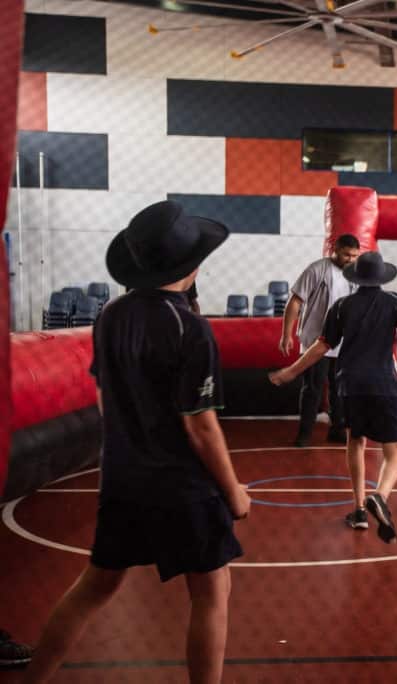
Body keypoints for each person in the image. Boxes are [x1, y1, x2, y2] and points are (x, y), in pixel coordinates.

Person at [23, 200, 250, 684]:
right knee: (212, 595)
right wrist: (234, 492)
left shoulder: (110, 316)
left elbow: (105, 399)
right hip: (183, 489)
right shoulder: (191, 328)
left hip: (123, 482)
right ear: (191, 265)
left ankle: (34, 678)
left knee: (94, 588)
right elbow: (201, 426)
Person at [269, 252, 397, 542]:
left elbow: (321, 346)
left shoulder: (342, 306)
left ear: (357, 278)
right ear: (382, 277)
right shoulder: (395, 302)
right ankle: (380, 496)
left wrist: (291, 371)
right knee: (395, 452)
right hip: (384, 382)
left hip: (350, 384)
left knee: (356, 442)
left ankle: (359, 510)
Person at [279, 234, 361, 447]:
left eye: (354, 256)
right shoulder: (317, 269)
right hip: (316, 340)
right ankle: (305, 433)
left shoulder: (356, 274)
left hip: (342, 342)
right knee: (312, 388)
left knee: (339, 389)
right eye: (346, 255)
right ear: (335, 249)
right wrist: (286, 334)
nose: (350, 260)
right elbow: (295, 301)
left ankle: (337, 429)